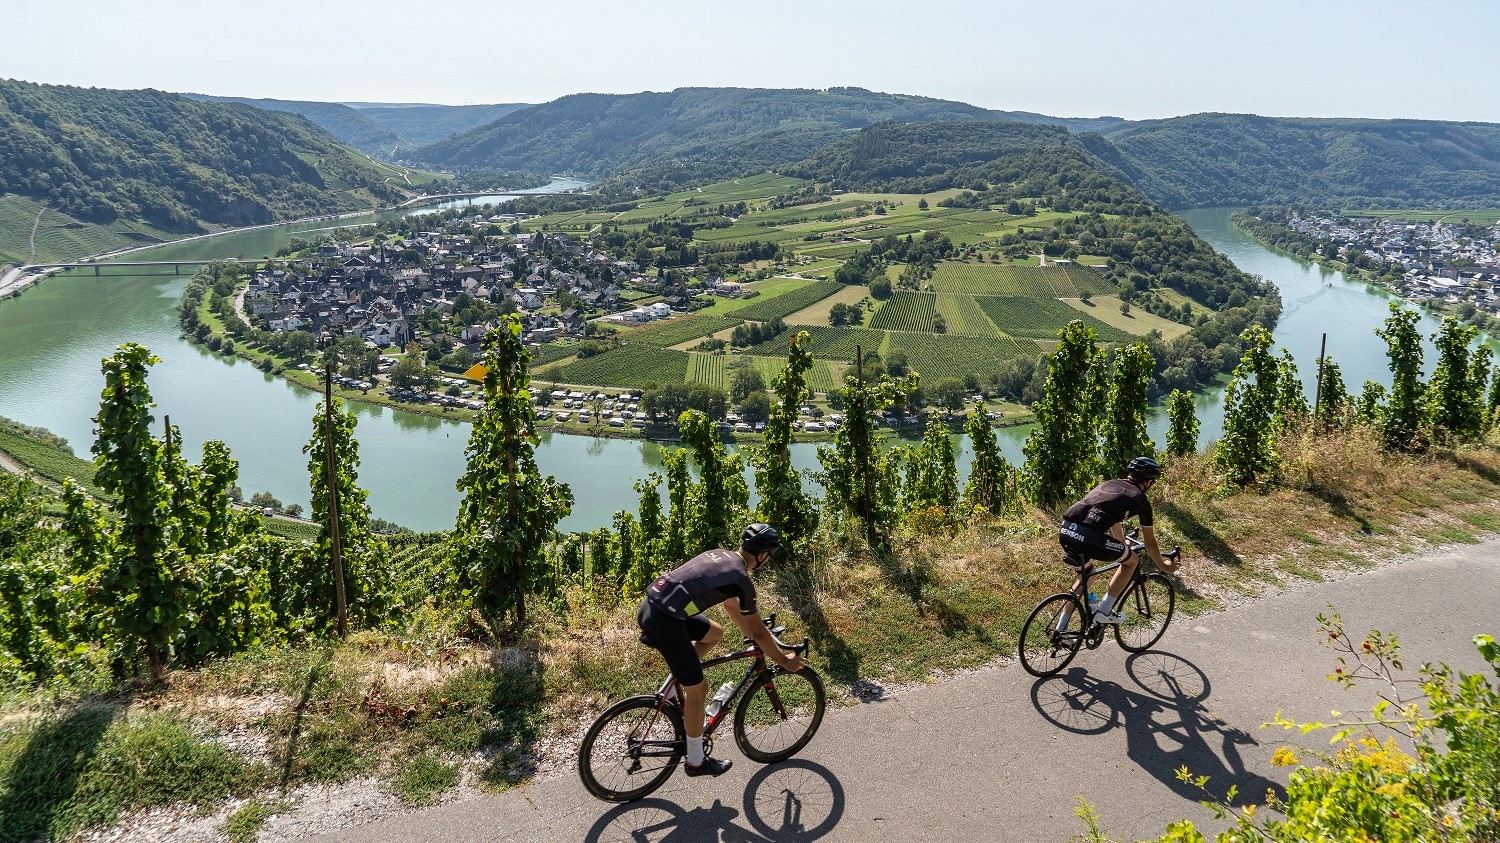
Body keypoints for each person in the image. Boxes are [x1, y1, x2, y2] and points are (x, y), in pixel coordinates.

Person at [637, 522, 804, 778]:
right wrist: (783, 660)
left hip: (653, 606)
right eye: (769, 556)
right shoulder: (742, 580)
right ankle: (695, 761)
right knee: (698, 689)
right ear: (762, 555)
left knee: (715, 633)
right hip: (666, 622)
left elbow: (731, 607)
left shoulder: (722, 555)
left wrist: (755, 636)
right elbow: (758, 631)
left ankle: (671, 687)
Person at [1058, 456, 1179, 625]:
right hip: (1089, 536)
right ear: (1148, 482)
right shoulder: (1140, 499)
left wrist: (1121, 544)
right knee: (1132, 561)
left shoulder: (1111, 484)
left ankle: (1060, 628)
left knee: (1087, 576)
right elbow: (1150, 544)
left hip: (1066, 529)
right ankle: (1105, 611)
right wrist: (1164, 566)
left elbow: (1113, 519)